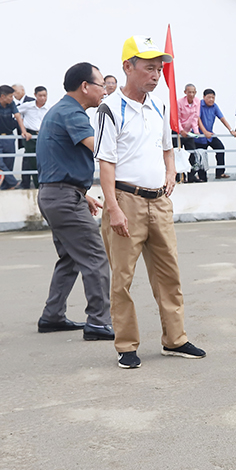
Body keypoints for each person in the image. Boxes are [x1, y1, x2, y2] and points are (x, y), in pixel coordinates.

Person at [96, 35, 206, 370]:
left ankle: (175, 339)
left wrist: (171, 171)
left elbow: (167, 147)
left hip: (159, 201)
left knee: (169, 274)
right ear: (127, 67)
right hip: (126, 201)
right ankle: (126, 346)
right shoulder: (110, 108)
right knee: (123, 278)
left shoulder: (159, 104)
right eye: (149, 68)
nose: (156, 75)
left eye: (159, 69)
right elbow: (105, 162)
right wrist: (112, 207)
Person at [35, 62, 113, 341]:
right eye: (101, 85)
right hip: (63, 198)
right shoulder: (74, 114)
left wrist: (82, 194)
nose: (104, 91)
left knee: (70, 258)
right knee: (95, 257)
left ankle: (52, 316)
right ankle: (99, 322)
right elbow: (104, 150)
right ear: (85, 86)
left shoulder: (59, 111)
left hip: (55, 194)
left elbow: (58, 161)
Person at [196, 89, 236, 179]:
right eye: (209, 97)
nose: (211, 99)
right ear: (204, 97)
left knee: (220, 148)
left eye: (213, 97)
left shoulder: (214, 106)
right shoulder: (199, 105)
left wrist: (231, 130)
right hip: (199, 136)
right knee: (202, 155)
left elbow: (222, 118)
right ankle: (202, 177)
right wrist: (204, 132)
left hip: (210, 135)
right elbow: (197, 119)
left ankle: (220, 173)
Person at [17, 86, 50, 189]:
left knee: (44, 159)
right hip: (30, 135)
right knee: (31, 159)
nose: (43, 98)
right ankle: (35, 184)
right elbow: (16, 113)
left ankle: (43, 183)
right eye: (40, 95)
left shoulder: (49, 108)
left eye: (45, 95)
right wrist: (23, 130)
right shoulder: (28, 106)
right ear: (35, 95)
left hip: (43, 135)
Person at [176, 84, 202, 183]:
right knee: (177, 154)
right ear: (185, 92)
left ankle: (191, 176)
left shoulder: (197, 101)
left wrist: (196, 131)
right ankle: (177, 177)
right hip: (178, 130)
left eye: (193, 92)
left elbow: (195, 117)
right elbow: (176, 118)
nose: (191, 94)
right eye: (189, 92)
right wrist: (181, 130)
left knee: (192, 153)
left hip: (188, 131)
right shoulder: (179, 102)